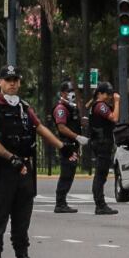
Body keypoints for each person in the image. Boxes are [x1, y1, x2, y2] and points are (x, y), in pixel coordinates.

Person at [0, 65, 66, 258]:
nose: (12, 84)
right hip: (4, 170)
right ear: (0, 82)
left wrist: (62, 147)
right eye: (8, 80)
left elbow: (40, 128)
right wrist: (11, 158)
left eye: (15, 80)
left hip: (25, 170)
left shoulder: (24, 108)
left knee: (22, 218)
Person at [50, 80, 89, 213]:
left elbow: (73, 122)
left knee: (70, 173)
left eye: (74, 91)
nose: (72, 94)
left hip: (73, 145)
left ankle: (62, 202)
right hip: (67, 145)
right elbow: (61, 127)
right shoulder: (61, 108)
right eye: (69, 91)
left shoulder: (71, 107)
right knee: (66, 174)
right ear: (62, 93)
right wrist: (77, 137)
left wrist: (82, 122)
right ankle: (60, 203)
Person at [87, 82, 120, 215]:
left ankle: (100, 204)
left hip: (101, 143)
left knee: (101, 174)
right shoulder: (100, 106)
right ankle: (100, 205)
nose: (110, 97)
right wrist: (117, 102)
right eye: (107, 94)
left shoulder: (97, 105)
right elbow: (114, 118)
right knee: (100, 175)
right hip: (102, 144)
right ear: (100, 94)